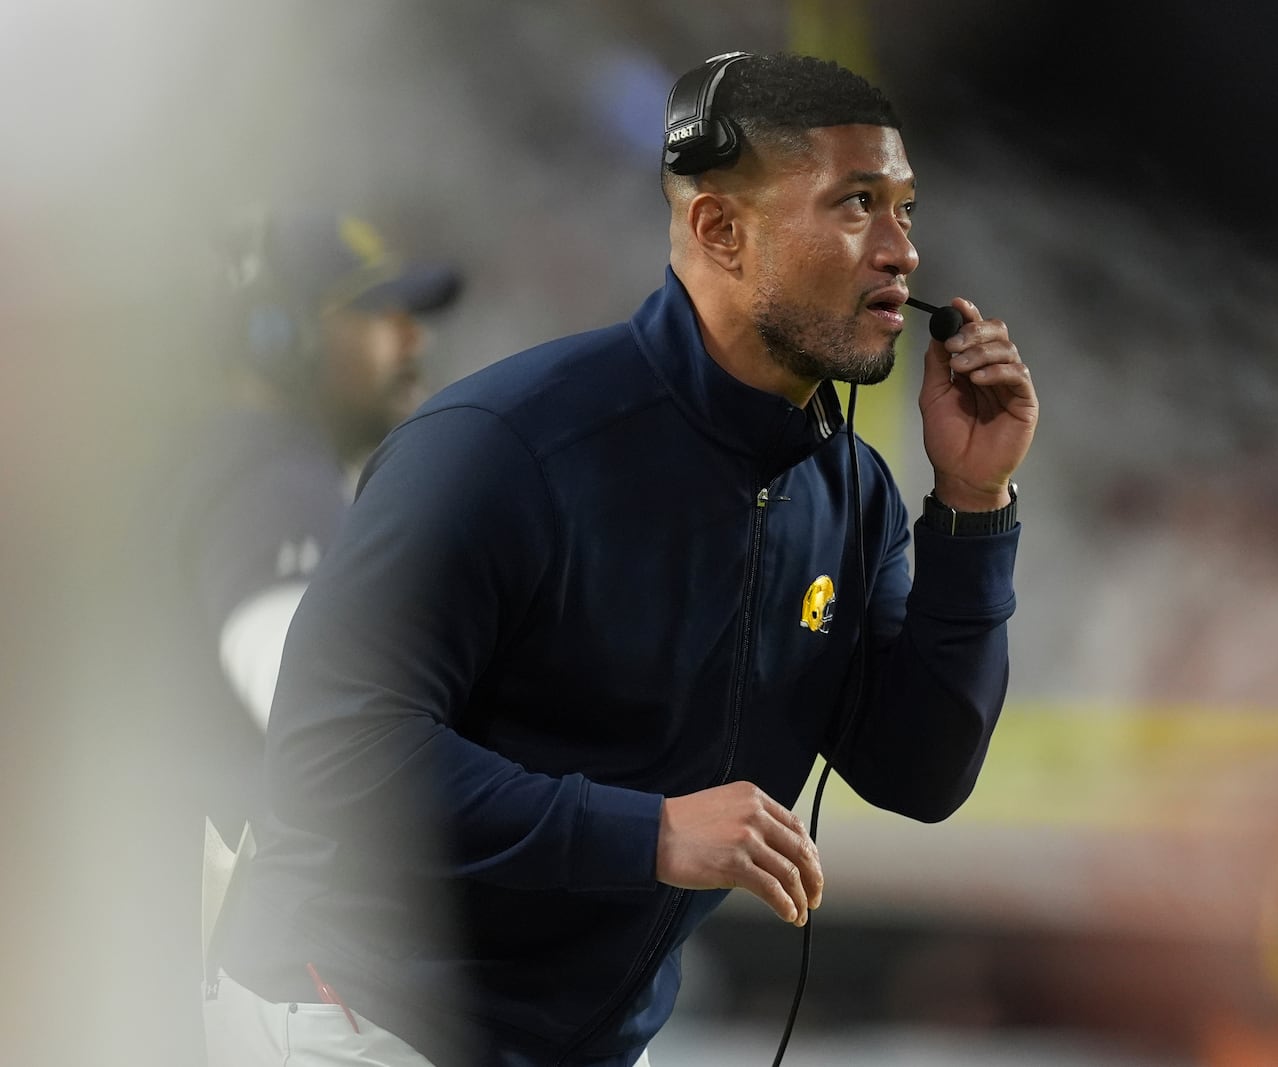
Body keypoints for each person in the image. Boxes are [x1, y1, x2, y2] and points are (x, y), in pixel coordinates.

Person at [205, 52, 1037, 1067]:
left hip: (583, 1041)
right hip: (355, 1011)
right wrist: (647, 832)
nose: (903, 251)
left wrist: (972, 503)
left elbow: (922, 770)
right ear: (719, 230)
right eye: (857, 204)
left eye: (905, 207)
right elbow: (332, 749)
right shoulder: (502, 446)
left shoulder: (848, 491)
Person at [165, 207, 461, 846]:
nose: (415, 339)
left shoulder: (252, 463)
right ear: (281, 336)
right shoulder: (269, 479)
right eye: (382, 311)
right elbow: (325, 729)